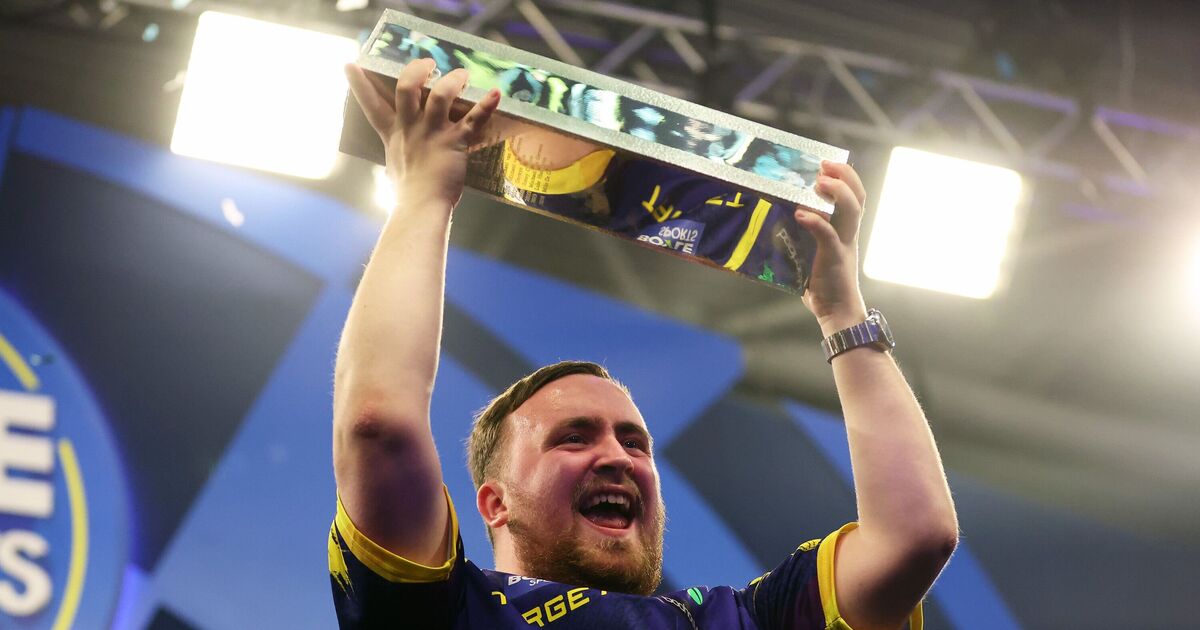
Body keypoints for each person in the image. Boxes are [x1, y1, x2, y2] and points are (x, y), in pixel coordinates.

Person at [329, 58, 958, 629]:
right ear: (495, 503)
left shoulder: (741, 621)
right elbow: (379, 424)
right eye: (573, 437)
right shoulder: (446, 613)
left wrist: (841, 310)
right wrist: (422, 195)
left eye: (634, 442)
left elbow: (915, 538)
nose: (619, 457)